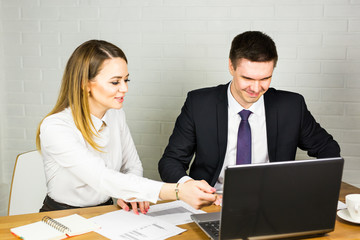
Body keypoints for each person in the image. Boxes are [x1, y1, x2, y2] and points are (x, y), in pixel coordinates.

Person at [36, 40, 217, 214]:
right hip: (62, 215)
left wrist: (132, 194)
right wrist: (178, 191)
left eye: (126, 80)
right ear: (85, 84)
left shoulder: (115, 114)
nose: (124, 89)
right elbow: (101, 177)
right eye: (115, 82)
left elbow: (132, 165)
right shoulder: (55, 127)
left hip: (106, 211)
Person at [158, 31, 341, 192]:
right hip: (213, 201)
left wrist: (306, 185)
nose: (255, 88)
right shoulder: (199, 104)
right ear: (231, 66)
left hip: (272, 202)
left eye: (265, 78)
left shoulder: (292, 106)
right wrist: (188, 186)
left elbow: (328, 148)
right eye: (247, 78)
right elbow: (170, 162)